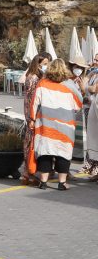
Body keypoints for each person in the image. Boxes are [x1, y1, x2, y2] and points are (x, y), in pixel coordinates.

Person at [29, 59, 83, 190]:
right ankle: (62, 183)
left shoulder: (42, 83)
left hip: (45, 123)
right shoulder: (70, 84)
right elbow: (79, 103)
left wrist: (32, 119)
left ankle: (43, 182)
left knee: (45, 151)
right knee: (63, 152)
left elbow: (34, 102)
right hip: (66, 124)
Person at [22, 52, 52, 184]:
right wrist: (32, 118)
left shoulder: (31, 76)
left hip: (32, 115)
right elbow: (33, 99)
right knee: (32, 144)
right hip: (34, 115)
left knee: (30, 143)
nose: (47, 66)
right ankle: (30, 172)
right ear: (38, 64)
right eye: (45, 64)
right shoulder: (34, 78)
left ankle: (28, 173)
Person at [81, 53, 98, 180]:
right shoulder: (93, 73)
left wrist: (85, 87)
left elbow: (92, 89)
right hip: (90, 109)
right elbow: (86, 87)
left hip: (94, 107)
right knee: (92, 138)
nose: (95, 61)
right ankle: (93, 168)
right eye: (95, 58)